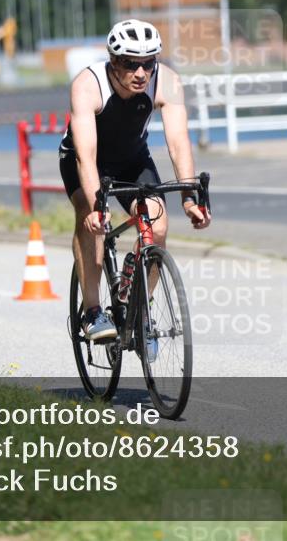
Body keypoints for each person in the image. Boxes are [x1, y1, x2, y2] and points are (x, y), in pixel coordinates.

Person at [59, 19, 211, 342]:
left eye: (148, 63)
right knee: (90, 215)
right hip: (85, 159)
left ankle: (140, 312)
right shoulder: (87, 85)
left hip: (131, 159)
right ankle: (92, 312)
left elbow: (178, 142)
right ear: (113, 61)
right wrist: (97, 208)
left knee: (158, 225)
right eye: (131, 64)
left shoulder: (166, 81)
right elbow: (86, 156)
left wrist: (189, 199)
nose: (141, 73)